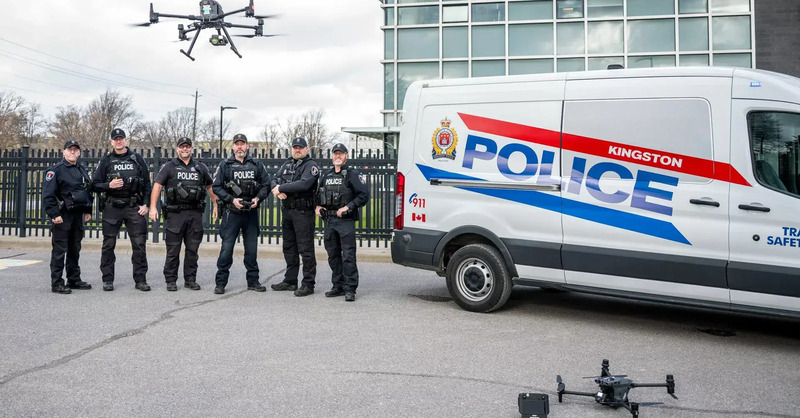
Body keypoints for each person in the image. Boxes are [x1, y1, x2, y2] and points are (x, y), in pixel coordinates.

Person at [149, 137, 217, 291]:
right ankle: (171, 280)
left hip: (194, 213)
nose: (185, 149)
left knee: (193, 249)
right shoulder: (169, 167)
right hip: (175, 214)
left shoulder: (200, 167)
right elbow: (157, 187)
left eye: (187, 147)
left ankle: (190, 279)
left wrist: (215, 204)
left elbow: (210, 187)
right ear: (177, 149)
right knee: (173, 249)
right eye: (182, 147)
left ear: (191, 149)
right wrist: (153, 207)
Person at [91, 128, 152, 292]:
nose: (118, 141)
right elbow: (94, 185)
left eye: (121, 139)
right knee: (108, 244)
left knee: (139, 245)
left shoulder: (137, 159)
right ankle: (107, 280)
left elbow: (147, 184)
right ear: (111, 142)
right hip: (112, 207)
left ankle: (140, 280)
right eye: (115, 139)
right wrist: (108, 185)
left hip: (134, 206)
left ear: (126, 140)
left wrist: (145, 204)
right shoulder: (106, 161)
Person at [211, 133, 271, 294]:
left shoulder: (256, 164)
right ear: (233, 146)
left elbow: (266, 185)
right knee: (226, 249)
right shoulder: (225, 165)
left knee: (251, 250)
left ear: (247, 146)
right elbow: (216, 187)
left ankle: (253, 282)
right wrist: (231, 199)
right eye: (237, 144)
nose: (239, 147)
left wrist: (258, 199)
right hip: (232, 213)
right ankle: (220, 283)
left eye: (242, 144)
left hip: (250, 213)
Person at [315, 143, 370, 302]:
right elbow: (318, 194)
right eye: (335, 154)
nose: (337, 156)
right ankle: (337, 285)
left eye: (341, 154)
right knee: (333, 255)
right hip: (330, 220)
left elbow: (363, 195)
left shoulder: (351, 174)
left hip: (345, 220)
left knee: (348, 256)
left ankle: (350, 288)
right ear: (331, 156)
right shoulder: (326, 175)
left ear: (346, 156)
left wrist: (348, 206)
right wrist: (318, 206)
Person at [270, 137, 320, 297]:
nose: (297, 150)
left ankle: (308, 284)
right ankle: (290, 281)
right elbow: (273, 180)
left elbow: (304, 184)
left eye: (300, 147)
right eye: (295, 147)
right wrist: (278, 190)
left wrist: (282, 187)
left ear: (307, 149)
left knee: (305, 249)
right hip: (288, 211)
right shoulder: (288, 164)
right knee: (289, 247)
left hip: (303, 212)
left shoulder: (311, 166)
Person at [42, 140, 94, 294]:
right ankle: (57, 282)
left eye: (75, 150)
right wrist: (54, 214)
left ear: (79, 152)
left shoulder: (81, 169)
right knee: (59, 250)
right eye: (70, 150)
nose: (73, 152)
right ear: (63, 152)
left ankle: (74, 279)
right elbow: (48, 195)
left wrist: (88, 210)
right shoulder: (55, 170)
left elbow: (86, 191)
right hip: (62, 215)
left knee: (74, 249)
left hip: (77, 215)